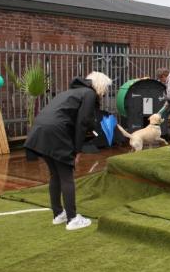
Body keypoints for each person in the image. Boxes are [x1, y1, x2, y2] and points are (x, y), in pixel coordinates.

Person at [24, 71, 112, 231]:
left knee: (55, 174)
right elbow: (83, 122)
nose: (105, 93)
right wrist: (77, 151)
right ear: (100, 86)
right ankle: (72, 219)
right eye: (105, 88)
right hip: (56, 132)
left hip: (39, 130)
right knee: (66, 175)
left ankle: (58, 214)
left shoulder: (71, 92)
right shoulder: (89, 94)